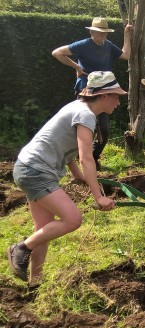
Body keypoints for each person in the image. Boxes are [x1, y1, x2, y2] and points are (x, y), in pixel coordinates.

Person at [7, 71, 124, 287]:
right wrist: (98, 196)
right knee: (73, 220)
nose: (118, 101)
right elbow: (86, 158)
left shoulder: (78, 109)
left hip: (29, 168)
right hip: (36, 171)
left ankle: (35, 284)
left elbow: (68, 151)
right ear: (104, 95)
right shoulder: (86, 115)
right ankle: (20, 248)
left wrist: (79, 177)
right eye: (116, 96)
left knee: (43, 229)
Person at [52, 17, 133, 170]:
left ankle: (93, 159)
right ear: (91, 31)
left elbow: (125, 55)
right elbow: (57, 53)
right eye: (97, 33)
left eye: (104, 33)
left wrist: (127, 34)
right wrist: (77, 67)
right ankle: (73, 160)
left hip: (104, 92)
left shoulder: (108, 46)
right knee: (82, 127)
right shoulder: (84, 44)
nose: (101, 36)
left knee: (104, 129)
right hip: (86, 90)